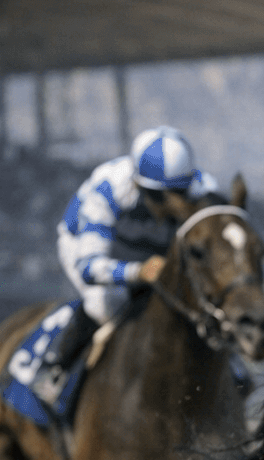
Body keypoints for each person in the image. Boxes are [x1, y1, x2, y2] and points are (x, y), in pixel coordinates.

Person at [29, 125, 219, 407]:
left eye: (178, 192)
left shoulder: (204, 189)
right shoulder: (106, 191)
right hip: (88, 246)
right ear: (139, 185)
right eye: (160, 196)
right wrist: (136, 273)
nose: (173, 204)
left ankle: (231, 367)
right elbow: (88, 267)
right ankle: (56, 369)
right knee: (106, 304)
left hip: (151, 246)